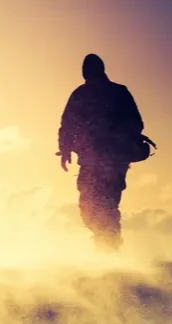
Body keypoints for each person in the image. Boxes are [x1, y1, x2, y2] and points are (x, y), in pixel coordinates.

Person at [56, 53, 145, 252]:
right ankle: (107, 245)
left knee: (105, 203)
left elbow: (136, 123)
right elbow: (68, 125)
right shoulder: (81, 94)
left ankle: (110, 248)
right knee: (91, 206)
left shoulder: (117, 92)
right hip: (92, 159)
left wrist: (115, 138)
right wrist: (65, 149)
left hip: (113, 159)